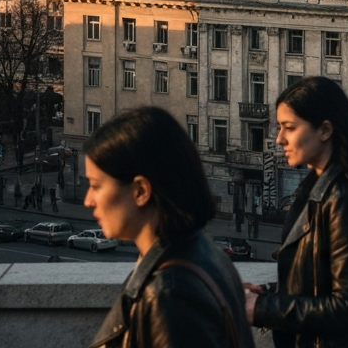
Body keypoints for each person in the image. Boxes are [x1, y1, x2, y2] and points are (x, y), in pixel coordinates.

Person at [245, 77, 348, 348]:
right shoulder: (317, 187)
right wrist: (266, 294)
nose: (279, 139)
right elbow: (317, 281)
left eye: (289, 128)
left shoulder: (345, 199)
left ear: (325, 130)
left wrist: (261, 308)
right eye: (279, 127)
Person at [86, 106, 255, 348]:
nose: (88, 200)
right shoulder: (202, 250)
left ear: (140, 191)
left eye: (96, 186)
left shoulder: (170, 294)